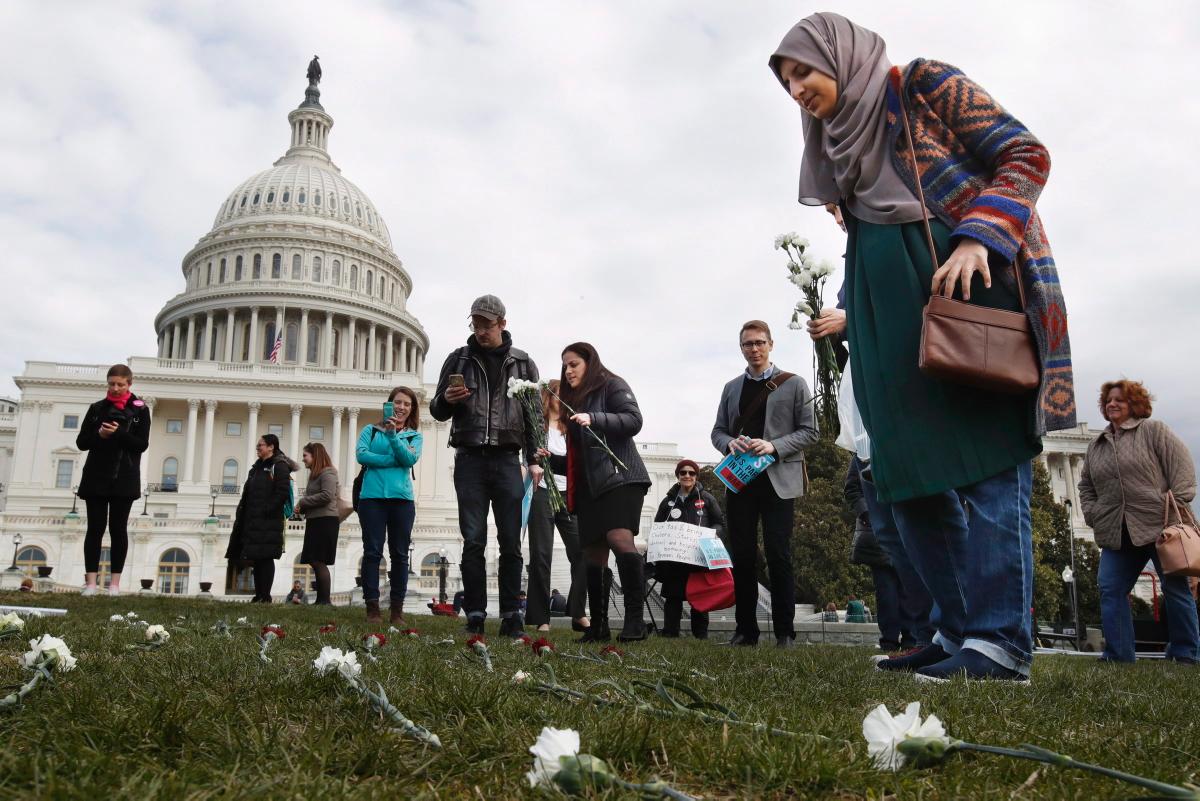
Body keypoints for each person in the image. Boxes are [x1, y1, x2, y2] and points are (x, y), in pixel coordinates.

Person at [769, 13, 1077, 682]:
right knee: (903, 479)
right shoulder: (839, 145)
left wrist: (979, 236)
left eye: (803, 70)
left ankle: (1001, 641)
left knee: (988, 462)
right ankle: (955, 630)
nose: (795, 89)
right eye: (785, 79)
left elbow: (1025, 154)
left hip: (962, 293)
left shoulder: (923, 86)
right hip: (884, 318)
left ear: (840, 54)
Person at [430, 295, 542, 638]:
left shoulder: (523, 363)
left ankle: (511, 615)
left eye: (487, 324)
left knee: (511, 542)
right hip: (470, 458)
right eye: (475, 324)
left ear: (502, 324)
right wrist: (446, 400)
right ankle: (475, 614)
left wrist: (535, 458)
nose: (480, 331)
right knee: (473, 540)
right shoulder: (457, 359)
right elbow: (436, 410)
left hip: (508, 460)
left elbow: (534, 414)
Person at [711, 320, 818, 648]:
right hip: (740, 481)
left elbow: (811, 431)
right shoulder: (731, 388)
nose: (754, 349)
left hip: (778, 480)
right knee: (742, 556)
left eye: (759, 343)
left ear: (771, 344)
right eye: (747, 344)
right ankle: (746, 631)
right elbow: (717, 431)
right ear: (741, 348)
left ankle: (785, 632)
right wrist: (729, 444)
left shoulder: (795, 384)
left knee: (778, 553)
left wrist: (774, 446)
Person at [1079, 380, 1199, 663]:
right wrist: (1093, 513)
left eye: (1119, 400)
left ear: (1135, 403)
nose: (1112, 404)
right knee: (1110, 588)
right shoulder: (1097, 445)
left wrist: (1173, 506)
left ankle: (1186, 653)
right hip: (1116, 530)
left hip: (1159, 528)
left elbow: (1182, 470)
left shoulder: (1154, 431)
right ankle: (1118, 655)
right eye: (1108, 400)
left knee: (1175, 589)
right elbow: (1086, 486)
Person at [559, 342, 653, 642]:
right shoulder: (573, 401)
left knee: (618, 538)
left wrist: (594, 418)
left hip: (620, 477)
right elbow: (581, 458)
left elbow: (633, 420)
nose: (568, 370)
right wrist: (551, 460)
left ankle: (634, 622)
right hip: (590, 487)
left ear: (589, 362)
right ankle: (598, 627)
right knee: (592, 554)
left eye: (573, 364)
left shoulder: (612, 384)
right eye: (565, 366)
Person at [75, 364, 151, 596]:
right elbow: (82, 442)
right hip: (97, 475)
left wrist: (118, 434)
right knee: (95, 529)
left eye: (120, 384)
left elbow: (141, 445)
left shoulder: (140, 411)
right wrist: (99, 434)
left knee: (118, 530)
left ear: (130, 384)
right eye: (111, 384)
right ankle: (90, 583)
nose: (115, 388)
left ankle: (114, 584)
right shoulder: (97, 408)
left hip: (124, 477)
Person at [844, 457, 934, 652]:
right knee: (886, 592)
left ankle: (913, 639)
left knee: (910, 587)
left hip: (909, 528)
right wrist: (868, 514)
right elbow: (852, 488)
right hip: (878, 533)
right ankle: (889, 641)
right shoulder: (862, 453)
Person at [526, 379, 589, 634]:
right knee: (541, 555)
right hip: (542, 492)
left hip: (569, 494)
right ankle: (542, 617)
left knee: (583, 552)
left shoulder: (572, 428)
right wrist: (535, 459)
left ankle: (577, 611)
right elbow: (527, 454)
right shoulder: (535, 425)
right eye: (558, 392)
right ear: (548, 395)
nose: (563, 397)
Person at [356, 386, 423, 625]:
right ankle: (372, 608)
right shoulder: (370, 431)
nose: (401, 407)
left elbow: (409, 459)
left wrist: (394, 436)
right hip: (371, 498)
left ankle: (397, 611)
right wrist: (390, 460)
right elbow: (362, 456)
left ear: (412, 409)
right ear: (389, 404)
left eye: (407, 404)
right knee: (372, 552)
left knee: (400, 555)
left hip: (401, 501)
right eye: (398, 402)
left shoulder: (414, 436)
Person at [651, 459, 725, 639]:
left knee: (699, 597)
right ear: (677, 476)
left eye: (691, 473)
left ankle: (700, 636)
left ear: (696, 476)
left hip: (698, 558)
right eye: (683, 472)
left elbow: (719, 522)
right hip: (674, 559)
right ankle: (670, 633)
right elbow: (658, 527)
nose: (687, 476)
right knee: (673, 598)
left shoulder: (707, 498)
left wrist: (712, 534)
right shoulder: (668, 501)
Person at [225, 434, 298, 603]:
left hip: (268, 520)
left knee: (266, 557)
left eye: (261, 445)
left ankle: (265, 596)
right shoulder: (256, 467)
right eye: (258, 445)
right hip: (253, 519)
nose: (258, 448)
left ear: (271, 447)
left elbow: (282, 491)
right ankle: (258, 594)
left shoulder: (279, 466)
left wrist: (267, 510)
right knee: (256, 557)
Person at [295, 441, 340, 606]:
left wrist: (303, 501)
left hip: (325, 521)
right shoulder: (317, 474)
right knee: (315, 560)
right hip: (317, 520)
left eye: (305, 456)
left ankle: (324, 600)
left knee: (318, 560)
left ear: (315, 456)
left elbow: (327, 495)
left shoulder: (327, 473)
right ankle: (321, 600)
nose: (303, 459)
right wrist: (304, 508)